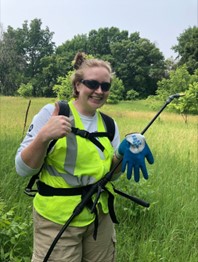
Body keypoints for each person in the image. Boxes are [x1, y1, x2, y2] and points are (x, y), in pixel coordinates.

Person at [15, 52, 154, 262]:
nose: (99, 91)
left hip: (99, 215)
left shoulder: (108, 124)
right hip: (57, 219)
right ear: (78, 85)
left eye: (105, 86)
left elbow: (111, 176)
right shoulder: (53, 112)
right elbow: (22, 169)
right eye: (92, 84)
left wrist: (121, 153)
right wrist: (43, 136)